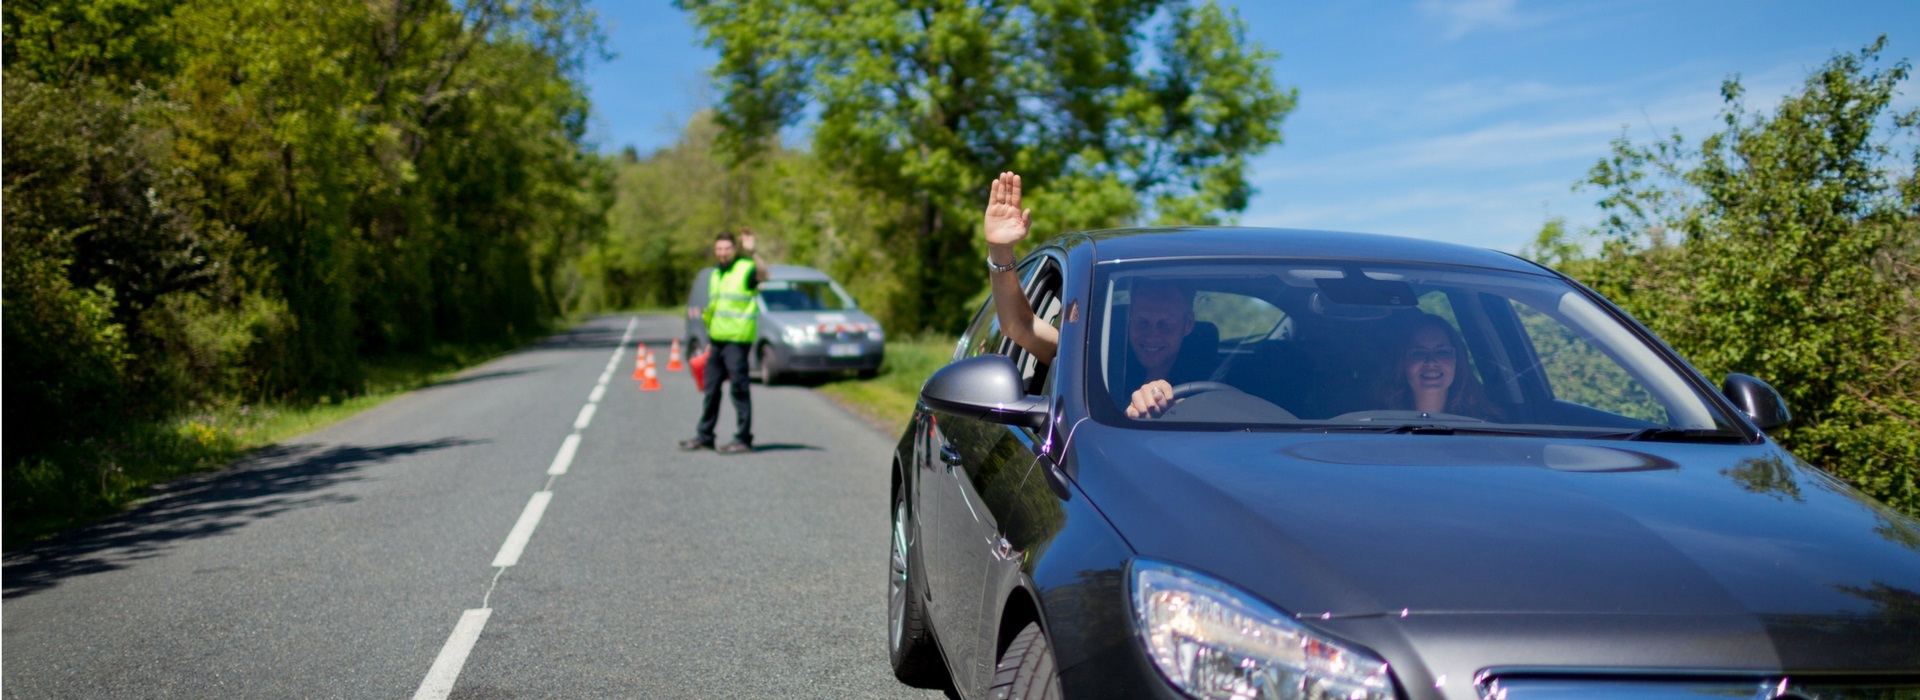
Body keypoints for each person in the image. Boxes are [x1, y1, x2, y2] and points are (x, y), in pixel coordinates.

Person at [982, 171, 1207, 419]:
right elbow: (1019, 325)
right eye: (1142, 321)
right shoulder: (1092, 359)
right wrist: (1000, 250)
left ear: (1188, 324)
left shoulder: (1217, 373)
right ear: (1128, 318)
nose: (1152, 333)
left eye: (1164, 324)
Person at [680, 228, 770, 454]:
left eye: (727, 248)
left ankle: (743, 439)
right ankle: (705, 436)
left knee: (739, 390)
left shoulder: (745, 269)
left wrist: (754, 252)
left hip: (737, 341)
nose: (722, 253)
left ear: (735, 249)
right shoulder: (715, 275)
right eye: (719, 248)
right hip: (717, 341)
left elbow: (764, 275)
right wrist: (711, 338)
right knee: (710, 390)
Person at [1372, 312, 1501, 420]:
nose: (1431, 362)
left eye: (1442, 352)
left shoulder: (1487, 426)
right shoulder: (1375, 425)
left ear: (1458, 361)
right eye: (1419, 353)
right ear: (1402, 364)